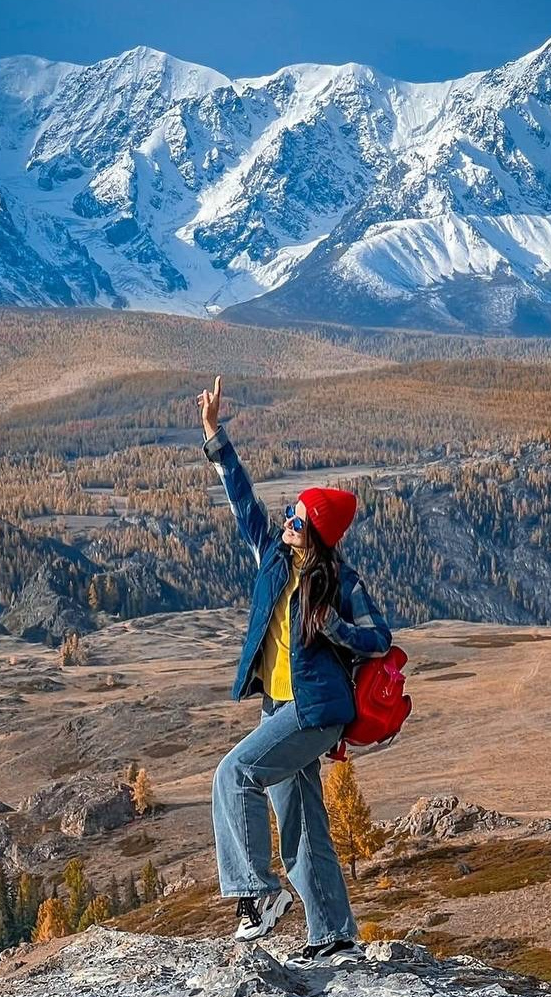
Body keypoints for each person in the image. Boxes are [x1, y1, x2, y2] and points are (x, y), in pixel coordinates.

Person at [197, 374, 393, 970]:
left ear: (317, 531)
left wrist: (335, 628)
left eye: (297, 517)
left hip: (315, 712)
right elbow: (242, 503)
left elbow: (380, 640)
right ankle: (334, 933)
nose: (285, 520)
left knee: (234, 775)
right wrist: (216, 438)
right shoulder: (274, 557)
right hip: (279, 708)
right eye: (288, 513)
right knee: (303, 818)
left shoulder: (340, 583)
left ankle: (258, 895)